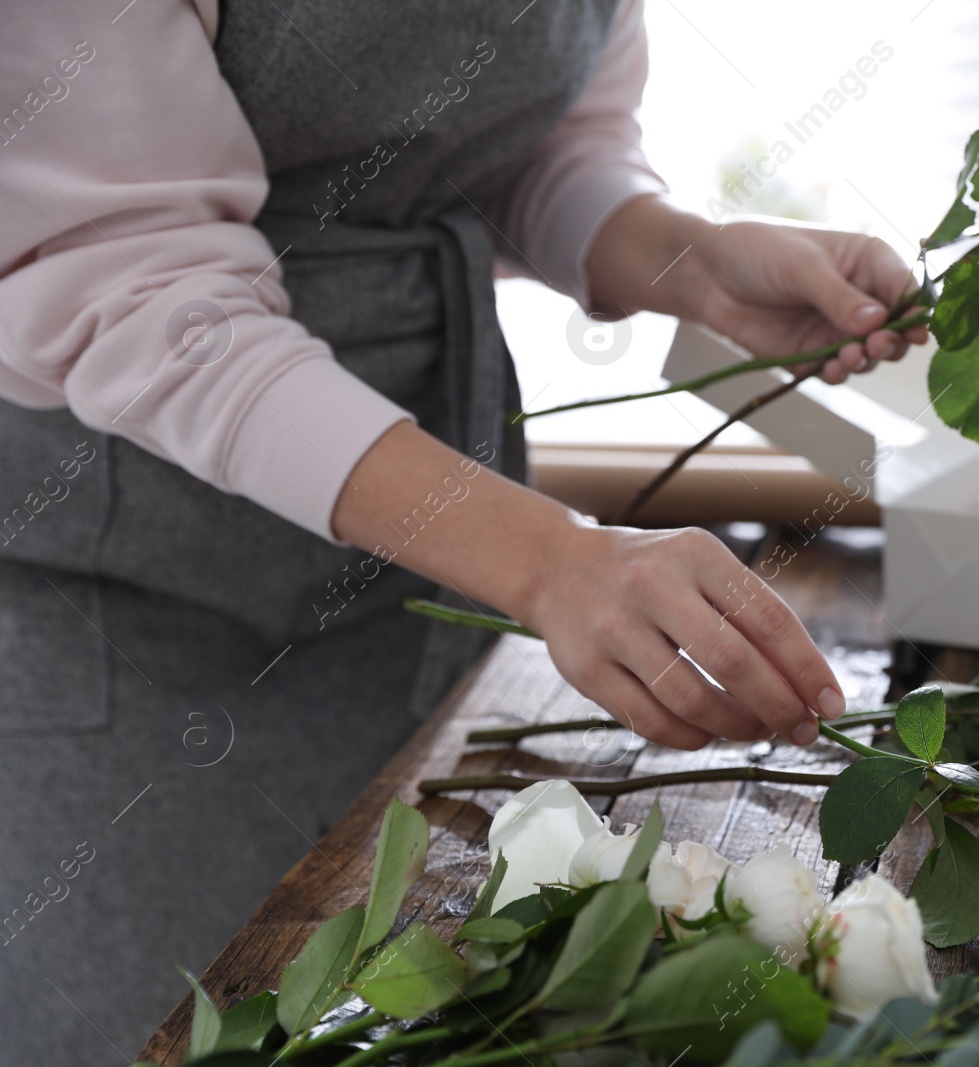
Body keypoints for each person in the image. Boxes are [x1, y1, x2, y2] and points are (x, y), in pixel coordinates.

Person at [0, 1, 927, 1059]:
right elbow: (137, 287)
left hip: (418, 574)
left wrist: (694, 262)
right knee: (156, 1022)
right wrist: (549, 558)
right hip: (131, 612)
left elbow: (522, 151)